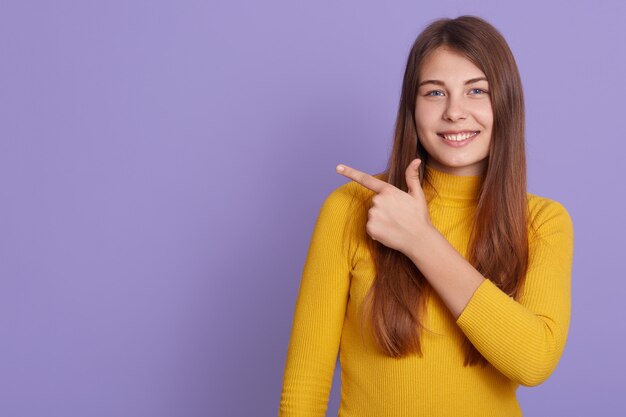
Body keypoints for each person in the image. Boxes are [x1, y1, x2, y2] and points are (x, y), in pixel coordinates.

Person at [278, 15, 573, 417]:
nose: (455, 112)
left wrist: (421, 240)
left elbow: (534, 361)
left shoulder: (542, 222)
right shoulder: (352, 208)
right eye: (435, 93)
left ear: (505, 103)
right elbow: (303, 391)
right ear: (412, 107)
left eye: (476, 91)